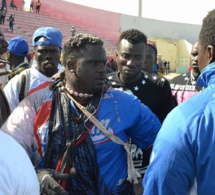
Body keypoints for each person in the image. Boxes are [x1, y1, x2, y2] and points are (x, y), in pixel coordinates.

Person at [1, 33, 161, 194]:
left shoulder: (123, 103)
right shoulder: (34, 104)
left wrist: (149, 184)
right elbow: (7, 155)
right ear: (71, 66)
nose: (102, 70)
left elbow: (159, 145)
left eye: (103, 63)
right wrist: (38, 175)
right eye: (93, 63)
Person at [143, 9, 215, 194]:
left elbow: (161, 186)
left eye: (197, 52)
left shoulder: (188, 120)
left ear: (209, 53)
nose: (195, 58)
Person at [107, 28, 176, 193]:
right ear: (116, 56)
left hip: (146, 174)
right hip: (112, 174)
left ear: (145, 58)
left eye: (137, 57)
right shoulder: (103, 85)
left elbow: (167, 133)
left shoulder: (159, 86)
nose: (131, 63)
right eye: (126, 56)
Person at [4, 26, 63, 112]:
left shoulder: (70, 81)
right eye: (42, 51)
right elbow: (6, 120)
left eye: (53, 51)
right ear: (34, 53)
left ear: (60, 53)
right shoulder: (19, 83)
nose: (48, 56)